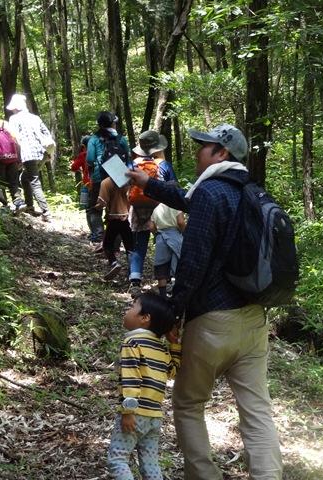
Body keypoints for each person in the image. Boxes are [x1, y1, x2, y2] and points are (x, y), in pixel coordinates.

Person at [126, 124, 283, 479]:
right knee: (257, 411)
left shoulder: (212, 192)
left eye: (205, 146)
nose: (197, 151)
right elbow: (186, 198)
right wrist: (146, 182)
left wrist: (173, 315)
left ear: (221, 154)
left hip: (213, 321)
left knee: (188, 404)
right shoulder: (250, 190)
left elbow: (193, 261)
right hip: (254, 319)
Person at [107, 293, 181, 480]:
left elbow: (131, 378)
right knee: (150, 462)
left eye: (132, 306)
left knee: (117, 459)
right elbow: (173, 371)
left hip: (135, 413)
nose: (127, 310)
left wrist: (128, 411)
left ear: (145, 318)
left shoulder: (132, 342)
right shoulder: (161, 348)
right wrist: (174, 345)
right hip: (154, 417)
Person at [128, 130, 171, 294]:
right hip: (160, 208)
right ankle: (165, 279)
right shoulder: (163, 165)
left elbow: (123, 183)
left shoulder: (133, 164)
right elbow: (173, 186)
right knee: (164, 242)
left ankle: (135, 281)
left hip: (138, 208)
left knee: (139, 245)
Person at [6, 93, 55, 222]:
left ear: (16, 107)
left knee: (34, 181)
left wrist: (17, 158)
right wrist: (49, 152)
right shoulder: (35, 117)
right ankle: (29, 206)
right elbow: (46, 133)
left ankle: (46, 212)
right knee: (25, 178)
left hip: (28, 154)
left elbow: (14, 139)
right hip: (42, 152)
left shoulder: (14, 119)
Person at [86, 111, 130, 244]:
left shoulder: (93, 139)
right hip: (119, 177)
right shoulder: (121, 139)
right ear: (112, 123)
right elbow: (127, 158)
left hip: (99, 177)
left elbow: (90, 159)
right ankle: (115, 243)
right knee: (116, 211)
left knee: (94, 207)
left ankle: (98, 236)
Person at [96, 175, 135, 281]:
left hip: (113, 218)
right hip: (128, 217)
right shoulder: (130, 180)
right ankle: (133, 273)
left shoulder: (106, 182)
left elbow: (102, 202)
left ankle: (114, 263)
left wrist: (97, 207)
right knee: (130, 247)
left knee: (107, 244)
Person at [149, 195, 185, 297]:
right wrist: (184, 233)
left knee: (162, 268)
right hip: (175, 237)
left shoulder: (157, 209)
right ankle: (177, 295)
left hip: (161, 238)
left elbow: (151, 226)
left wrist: (157, 234)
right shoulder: (176, 207)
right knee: (178, 265)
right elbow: (181, 222)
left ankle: (163, 297)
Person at [70, 136, 92, 229]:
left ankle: (94, 233)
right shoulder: (100, 153)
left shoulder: (83, 155)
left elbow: (73, 167)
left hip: (87, 185)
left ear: (83, 145)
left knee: (88, 209)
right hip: (101, 184)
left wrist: (81, 169)